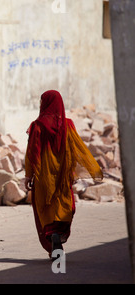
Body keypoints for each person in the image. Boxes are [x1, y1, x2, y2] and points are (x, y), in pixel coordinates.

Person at [24, 90, 103, 258]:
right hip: (62, 178)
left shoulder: (37, 125)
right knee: (65, 207)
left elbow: (31, 153)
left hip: (43, 177)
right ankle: (57, 235)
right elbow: (75, 149)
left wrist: (28, 176)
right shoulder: (68, 124)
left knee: (45, 209)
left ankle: (52, 240)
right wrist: (73, 171)